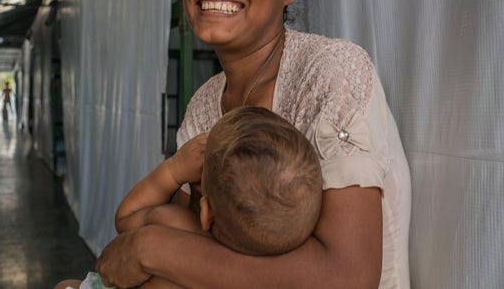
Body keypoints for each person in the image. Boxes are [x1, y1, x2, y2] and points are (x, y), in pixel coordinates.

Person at [96, 0, 412, 288]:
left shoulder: (329, 72)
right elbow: (186, 239)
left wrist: (150, 249)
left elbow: (347, 276)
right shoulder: (205, 104)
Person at [55, 106, 322, 289]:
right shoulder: (273, 268)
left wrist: (173, 171)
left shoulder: (177, 224)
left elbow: (125, 218)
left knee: (65, 285)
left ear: (206, 212)